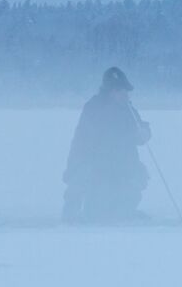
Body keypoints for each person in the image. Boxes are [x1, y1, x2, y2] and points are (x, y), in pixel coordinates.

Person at [62, 67, 151, 221]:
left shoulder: (129, 110)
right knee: (94, 193)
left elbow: (140, 129)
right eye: (120, 91)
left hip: (125, 164)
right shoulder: (94, 108)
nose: (125, 95)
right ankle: (82, 214)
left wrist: (144, 133)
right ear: (111, 91)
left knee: (135, 181)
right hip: (97, 164)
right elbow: (95, 138)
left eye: (126, 91)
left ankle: (123, 212)